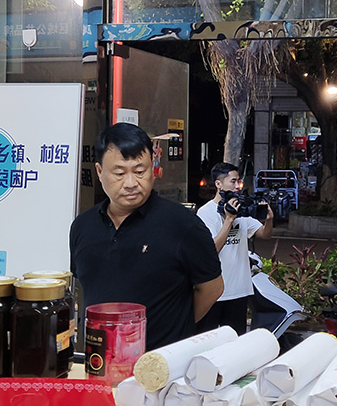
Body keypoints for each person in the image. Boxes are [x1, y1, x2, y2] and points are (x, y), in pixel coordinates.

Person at [70, 122, 224, 351]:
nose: (131, 183)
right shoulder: (83, 226)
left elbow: (212, 287)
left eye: (140, 171)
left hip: (162, 362)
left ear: (153, 168)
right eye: (119, 173)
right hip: (99, 360)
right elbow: (87, 288)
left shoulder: (183, 224)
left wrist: (177, 325)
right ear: (100, 172)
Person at [195, 162, 273, 335]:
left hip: (239, 290)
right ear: (218, 184)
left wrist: (269, 219)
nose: (238, 186)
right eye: (233, 181)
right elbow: (211, 250)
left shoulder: (241, 209)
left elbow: (264, 234)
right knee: (208, 340)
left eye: (239, 181)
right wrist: (229, 220)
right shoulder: (206, 213)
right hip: (214, 292)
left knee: (235, 341)